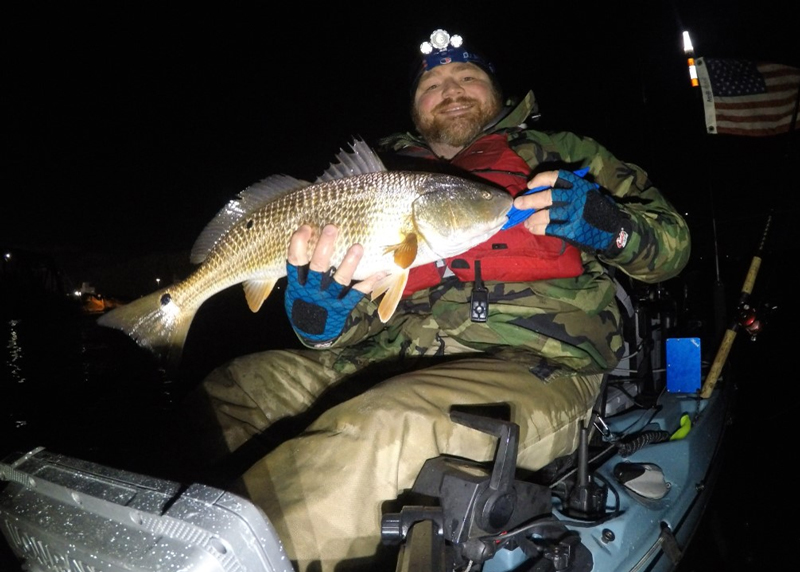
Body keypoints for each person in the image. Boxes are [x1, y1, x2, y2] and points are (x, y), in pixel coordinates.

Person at [176, 28, 690, 571]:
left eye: (469, 76)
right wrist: (319, 322)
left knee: (383, 425)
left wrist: (613, 227)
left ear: (499, 93)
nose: (453, 88)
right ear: (415, 106)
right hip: (381, 361)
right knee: (231, 391)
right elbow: (348, 326)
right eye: (434, 83)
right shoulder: (380, 176)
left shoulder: (563, 153)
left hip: (536, 367)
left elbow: (673, 249)